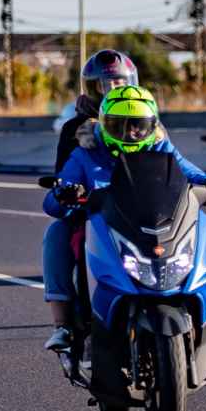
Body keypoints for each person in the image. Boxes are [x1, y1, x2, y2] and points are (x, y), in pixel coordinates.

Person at [40, 85, 206, 352]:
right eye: (119, 126)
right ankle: (63, 325)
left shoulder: (161, 146)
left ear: (152, 125)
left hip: (151, 224)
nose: (130, 133)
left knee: (198, 226)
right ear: (104, 124)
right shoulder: (85, 152)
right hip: (102, 225)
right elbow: (53, 200)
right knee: (57, 233)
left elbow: (193, 174)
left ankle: (200, 321)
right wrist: (65, 192)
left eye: (138, 126)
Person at [41, 49, 140, 349]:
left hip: (142, 212)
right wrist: (71, 192)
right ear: (91, 88)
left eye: (119, 84)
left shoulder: (148, 120)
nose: (112, 91)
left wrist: (200, 185)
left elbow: (170, 166)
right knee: (56, 235)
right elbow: (63, 177)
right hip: (94, 213)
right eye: (104, 86)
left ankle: (195, 318)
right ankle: (64, 325)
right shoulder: (75, 129)